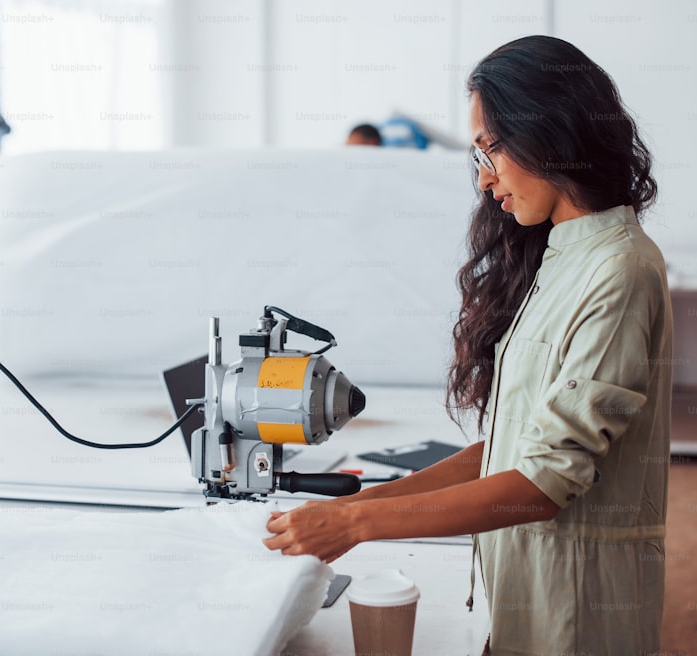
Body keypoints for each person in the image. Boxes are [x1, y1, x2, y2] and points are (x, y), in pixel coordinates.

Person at [264, 34, 670, 655]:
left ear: (551, 130)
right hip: (516, 595)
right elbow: (508, 447)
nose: (484, 180)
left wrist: (353, 521)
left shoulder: (619, 269)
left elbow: (540, 482)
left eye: (492, 150)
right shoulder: (560, 258)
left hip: (576, 612)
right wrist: (366, 506)